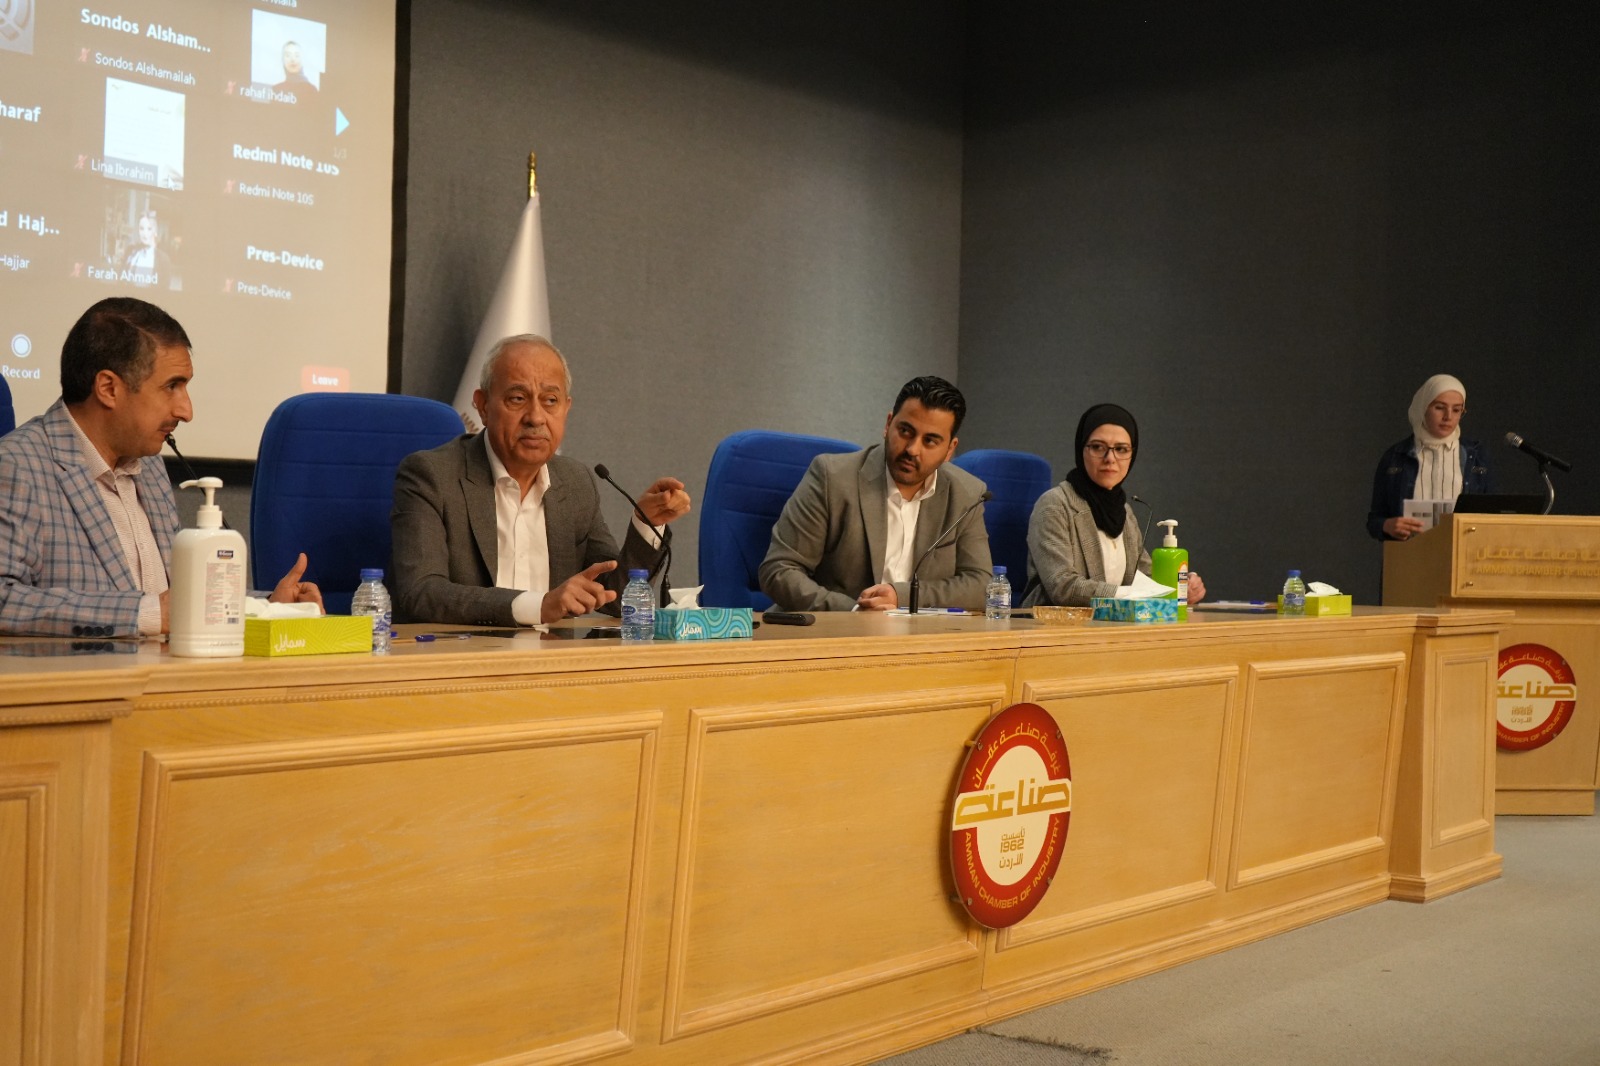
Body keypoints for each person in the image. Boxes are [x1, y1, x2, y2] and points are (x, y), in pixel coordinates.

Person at [0, 297, 323, 637]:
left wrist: (268, 607)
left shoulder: (149, 466)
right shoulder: (17, 466)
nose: (186, 410)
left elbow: (179, 603)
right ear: (108, 388)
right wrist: (148, 613)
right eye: (172, 386)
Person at [390, 334, 692, 626]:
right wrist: (538, 606)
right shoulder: (432, 475)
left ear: (566, 408)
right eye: (517, 398)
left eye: (550, 400)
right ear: (483, 406)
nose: (536, 417)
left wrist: (646, 524)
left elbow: (612, 596)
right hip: (465, 656)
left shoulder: (575, 482)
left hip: (550, 655)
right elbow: (421, 590)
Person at [759, 375, 992, 612]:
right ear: (888, 424)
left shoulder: (967, 494)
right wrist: (856, 612)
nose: (912, 449)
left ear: (950, 449)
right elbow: (779, 570)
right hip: (834, 626)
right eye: (905, 431)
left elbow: (981, 586)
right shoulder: (832, 478)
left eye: (930, 441)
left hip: (918, 632)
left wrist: (901, 597)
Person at [1021, 403, 1207, 608]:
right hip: (1053, 625)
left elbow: (1145, 577)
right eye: (1097, 447)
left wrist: (1180, 588)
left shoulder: (1124, 511)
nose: (1110, 459)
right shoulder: (1055, 505)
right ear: (1081, 450)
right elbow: (1062, 587)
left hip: (1112, 623)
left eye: (1121, 449)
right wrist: (1128, 594)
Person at [1367, 374, 1491, 541]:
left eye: (1456, 410)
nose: (1448, 417)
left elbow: (1495, 516)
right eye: (1439, 407)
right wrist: (1387, 525)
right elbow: (1374, 520)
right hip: (1410, 553)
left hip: (1462, 552)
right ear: (1423, 407)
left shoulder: (1476, 456)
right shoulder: (1396, 456)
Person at [122, 212, 173, 289]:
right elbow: (121, 279)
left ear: (155, 231)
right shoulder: (130, 251)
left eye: (149, 229)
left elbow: (164, 289)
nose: (145, 233)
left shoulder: (164, 259)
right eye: (141, 228)